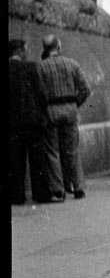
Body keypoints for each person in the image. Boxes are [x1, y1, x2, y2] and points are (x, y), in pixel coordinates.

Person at [39, 35, 92, 199]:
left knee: (52, 151)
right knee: (72, 150)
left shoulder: (41, 67)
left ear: (45, 49)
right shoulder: (72, 64)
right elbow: (85, 89)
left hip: (50, 110)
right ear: (59, 46)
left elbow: (39, 92)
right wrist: (75, 104)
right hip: (70, 109)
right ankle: (78, 187)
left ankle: (58, 189)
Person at [9, 39, 54, 204]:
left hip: (13, 124)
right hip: (34, 122)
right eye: (25, 49)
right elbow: (42, 94)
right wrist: (43, 115)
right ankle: (41, 194)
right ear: (20, 51)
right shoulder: (31, 67)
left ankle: (16, 195)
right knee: (38, 161)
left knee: (15, 162)